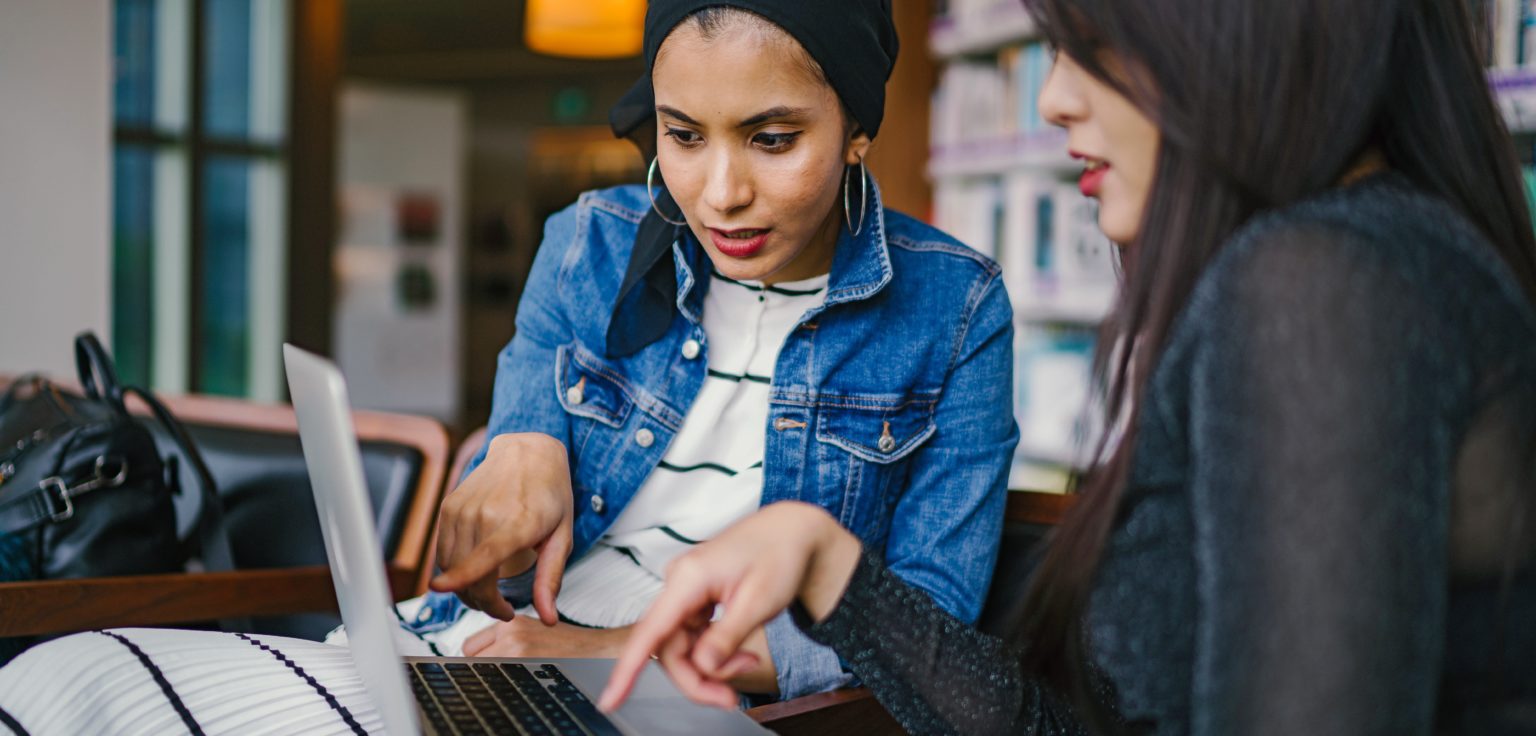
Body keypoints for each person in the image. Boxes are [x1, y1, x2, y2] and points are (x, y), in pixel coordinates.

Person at [600, 0, 1536, 732]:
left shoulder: (1322, 284)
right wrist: (828, 565)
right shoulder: (1364, 262)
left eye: (1092, 41)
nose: (1053, 98)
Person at [349, 0, 1018, 703]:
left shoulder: (958, 308)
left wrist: (615, 654)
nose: (721, 195)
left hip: (685, 695)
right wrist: (521, 450)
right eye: (685, 136)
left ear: (855, 128)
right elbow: (514, 541)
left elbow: (926, 626)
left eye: (772, 139)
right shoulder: (588, 242)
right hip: (478, 644)